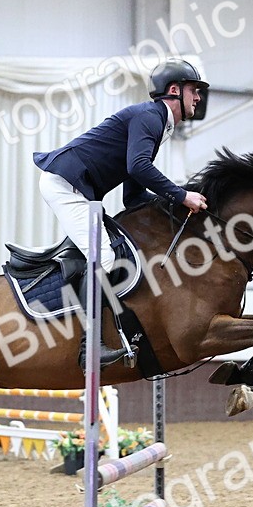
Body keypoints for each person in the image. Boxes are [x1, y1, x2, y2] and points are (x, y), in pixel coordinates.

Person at [33, 59, 210, 366]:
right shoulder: (150, 117)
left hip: (76, 186)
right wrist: (181, 195)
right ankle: (91, 346)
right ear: (173, 90)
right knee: (103, 256)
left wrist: (171, 209)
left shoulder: (156, 122)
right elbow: (138, 167)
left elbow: (133, 194)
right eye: (194, 90)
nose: (198, 98)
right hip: (65, 183)